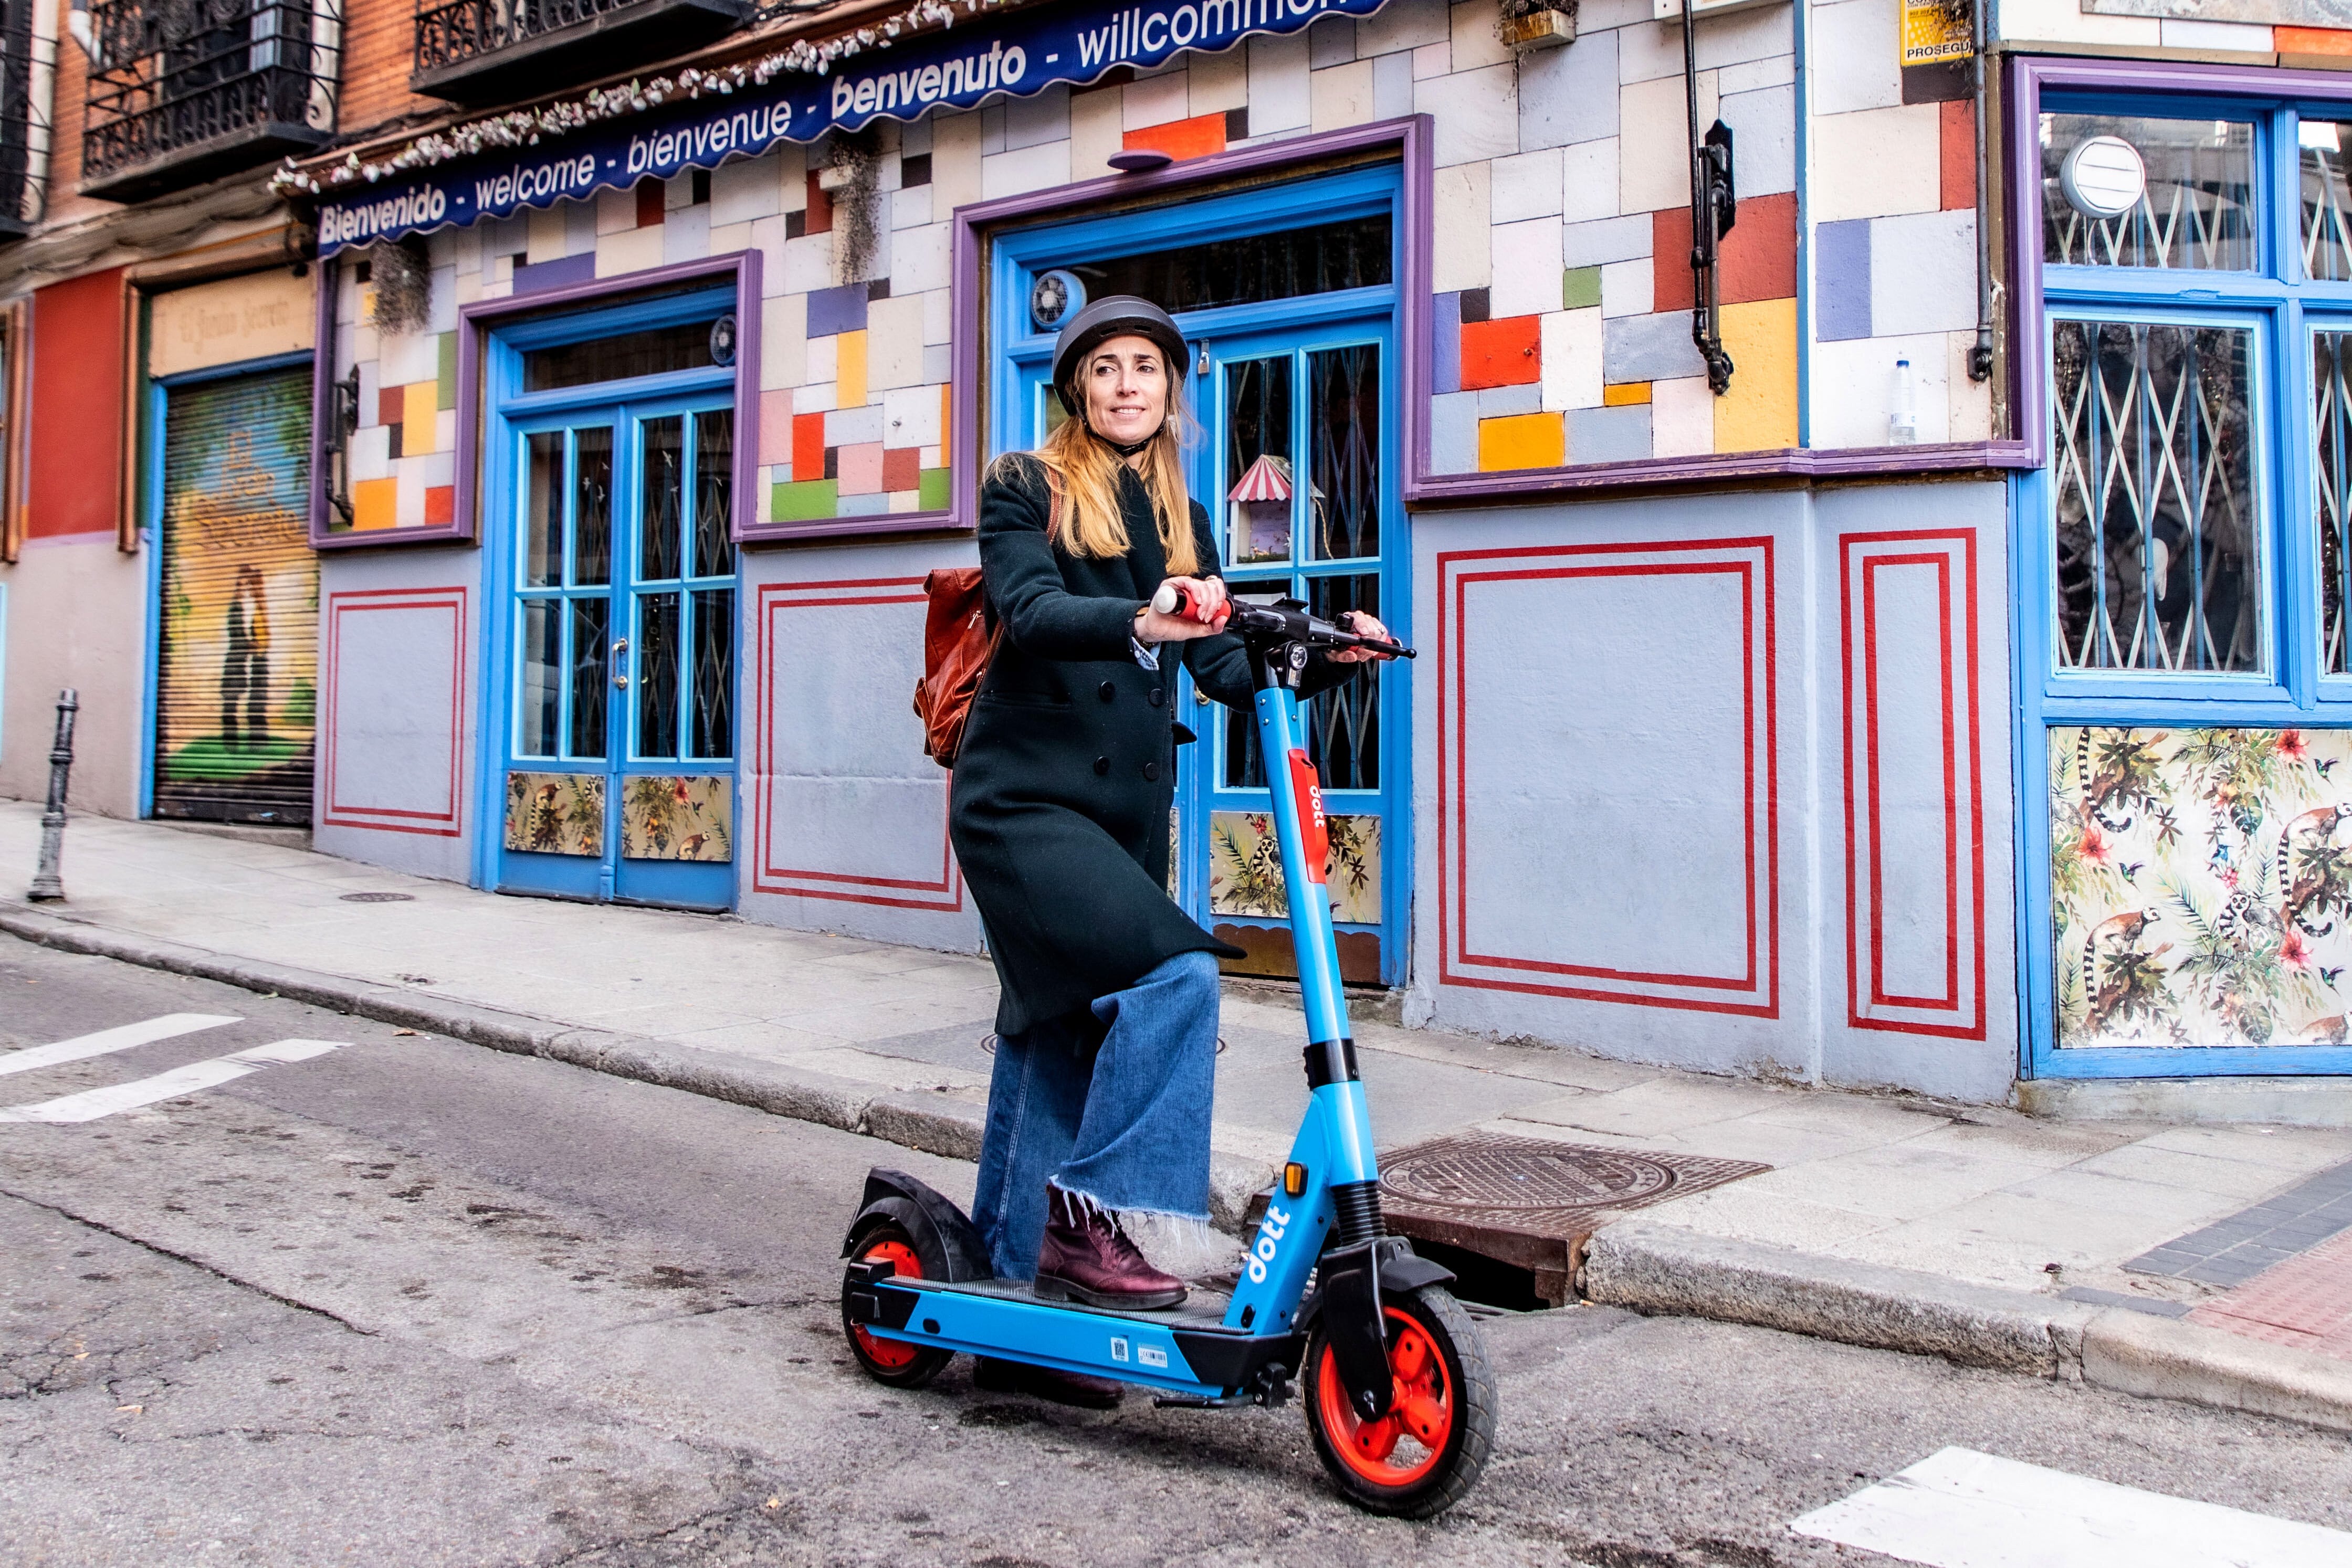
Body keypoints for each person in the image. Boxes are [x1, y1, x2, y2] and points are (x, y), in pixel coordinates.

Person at [948, 296, 1393, 1407]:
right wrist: (1139, 623)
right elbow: (1032, 610)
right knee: (1179, 972)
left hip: (1114, 826)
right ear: (1076, 392)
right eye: (1103, 369)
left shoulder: (1181, 512)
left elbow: (1221, 672)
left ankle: (1018, 1333)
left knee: (1057, 1032)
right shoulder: (1025, 486)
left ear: (1169, 389)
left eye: (1144, 366)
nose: (1125, 384)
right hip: (1022, 808)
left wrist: (1332, 653)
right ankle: (1103, 1227)